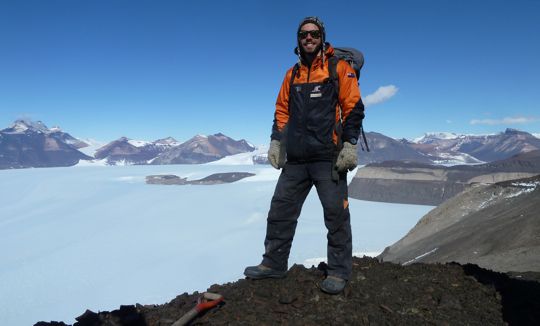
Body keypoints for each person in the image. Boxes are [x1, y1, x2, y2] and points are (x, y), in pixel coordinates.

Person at [244, 16, 365, 294]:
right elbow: (282, 110)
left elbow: (353, 107)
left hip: (328, 158)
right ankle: (273, 264)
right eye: (303, 35)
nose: (308, 38)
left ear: (322, 37)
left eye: (313, 34)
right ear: (298, 40)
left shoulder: (339, 68)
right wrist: (276, 142)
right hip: (296, 159)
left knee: (336, 216)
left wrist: (349, 144)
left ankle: (337, 271)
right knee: (280, 213)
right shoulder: (292, 74)